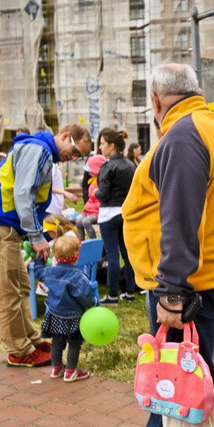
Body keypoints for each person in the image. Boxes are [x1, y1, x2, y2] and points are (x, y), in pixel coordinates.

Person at [114, 62, 214, 427]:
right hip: (194, 275)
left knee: (191, 367)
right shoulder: (208, 127)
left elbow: (179, 217)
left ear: (155, 99)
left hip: (185, 283)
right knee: (173, 364)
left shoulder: (185, 134)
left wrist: (171, 288)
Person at [0, 125, 92, 367]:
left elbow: (32, 198)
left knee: (21, 285)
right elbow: (23, 195)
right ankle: (19, 350)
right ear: (66, 136)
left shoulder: (41, 150)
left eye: (80, 157)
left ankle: (31, 340)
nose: (74, 158)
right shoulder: (38, 149)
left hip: (4, 229)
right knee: (6, 293)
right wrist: (36, 237)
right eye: (75, 151)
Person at [32, 235, 96, 382]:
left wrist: (39, 260)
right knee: (74, 343)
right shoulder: (78, 276)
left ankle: (56, 368)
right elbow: (85, 296)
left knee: (57, 342)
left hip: (54, 314)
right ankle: (71, 372)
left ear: (55, 255)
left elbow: (38, 272)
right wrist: (93, 302)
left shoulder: (49, 272)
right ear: (76, 256)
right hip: (73, 317)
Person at [95, 128, 136, 305]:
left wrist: (95, 192)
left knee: (112, 255)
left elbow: (103, 194)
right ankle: (130, 291)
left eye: (102, 144)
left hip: (109, 214)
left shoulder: (107, 166)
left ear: (112, 146)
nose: (99, 147)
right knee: (127, 254)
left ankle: (112, 295)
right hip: (125, 212)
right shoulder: (130, 165)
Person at [75, 154, 106, 240]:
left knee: (86, 222)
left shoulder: (102, 182)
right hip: (88, 209)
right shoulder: (92, 181)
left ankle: (94, 242)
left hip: (97, 211)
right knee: (78, 221)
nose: (88, 173)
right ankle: (80, 242)